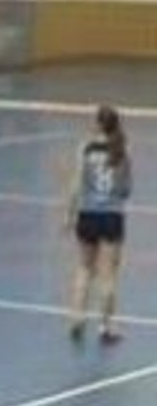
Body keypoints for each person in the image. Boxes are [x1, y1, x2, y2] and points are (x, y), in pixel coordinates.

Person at [66, 105, 132, 344]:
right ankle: (106, 327)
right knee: (109, 275)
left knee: (84, 268)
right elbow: (126, 189)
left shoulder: (85, 149)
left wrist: (68, 214)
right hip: (112, 216)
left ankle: (77, 319)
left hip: (88, 214)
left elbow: (76, 184)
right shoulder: (121, 151)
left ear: (98, 123)